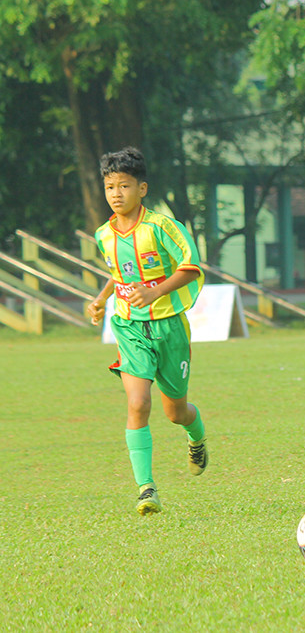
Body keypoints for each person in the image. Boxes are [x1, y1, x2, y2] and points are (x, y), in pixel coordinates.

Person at [86, 147, 208, 515]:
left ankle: (196, 437)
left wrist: (155, 292)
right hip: (129, 326)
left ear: (142, 188)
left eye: (124, 186)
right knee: (138, 403)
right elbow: (118, 273)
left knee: (176, 412)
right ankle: (146, 488)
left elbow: (191, 266)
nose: (116, 194)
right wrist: (101, 299)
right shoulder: (104, 235)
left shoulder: (162, 227)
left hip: (169, 326)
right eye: (110, 187)